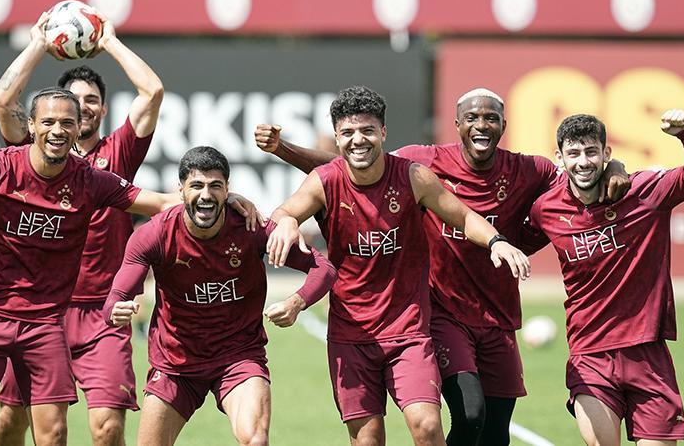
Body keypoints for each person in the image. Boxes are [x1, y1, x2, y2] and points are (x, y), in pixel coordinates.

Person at [256, 88, 629, 445]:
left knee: (475, 432)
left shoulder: (513, 169)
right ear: (457, 123)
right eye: (472, 117)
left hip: (468, 318)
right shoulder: (414, 162)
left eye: (490, 118)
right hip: (421, 318)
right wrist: (285, 206)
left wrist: (613, 165)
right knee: (450, 419)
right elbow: (341, 169)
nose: (481, 125)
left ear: (504, 124)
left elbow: (577, 178)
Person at [0, 88, 180, 446]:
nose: (58, 130)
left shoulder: (90, 180)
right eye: (48, 121)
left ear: (78, 127)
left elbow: (160, 203)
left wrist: (225, 197)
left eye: (67, 123)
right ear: (32, 126)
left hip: (45, 324)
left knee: (53, 434)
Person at [0, 10, 165, 446]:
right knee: (11, 421)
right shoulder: (33, 154)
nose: (83, 106)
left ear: (103, 109)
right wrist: (37, 44)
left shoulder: (118, 153)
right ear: (56, 108)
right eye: (74, 99)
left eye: (92, 100)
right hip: (39, 309)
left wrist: (109, 42)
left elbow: (152, 91)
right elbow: (4, 103)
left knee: (108, 427)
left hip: (104, 311)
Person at [102, 146, 338, 445]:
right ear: (181, 190)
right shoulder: (154, 234)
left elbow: (323, 268)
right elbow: (115, 298)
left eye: (215, 186)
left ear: (228, 189)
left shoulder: (251, 227)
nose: (206, 195)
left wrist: (297, 302)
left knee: (255, 440)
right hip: (175, 365)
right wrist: (115, 308)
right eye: (196, 186)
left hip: (238, 358)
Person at [522, 111, 684, 446]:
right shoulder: (545, 209)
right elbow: (514, 243)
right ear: (559, 158)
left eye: (591, 152)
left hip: (647, 353)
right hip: (590, 353)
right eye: (573, 153)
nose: (583, 162)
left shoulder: (646, 192)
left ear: (606, 153)